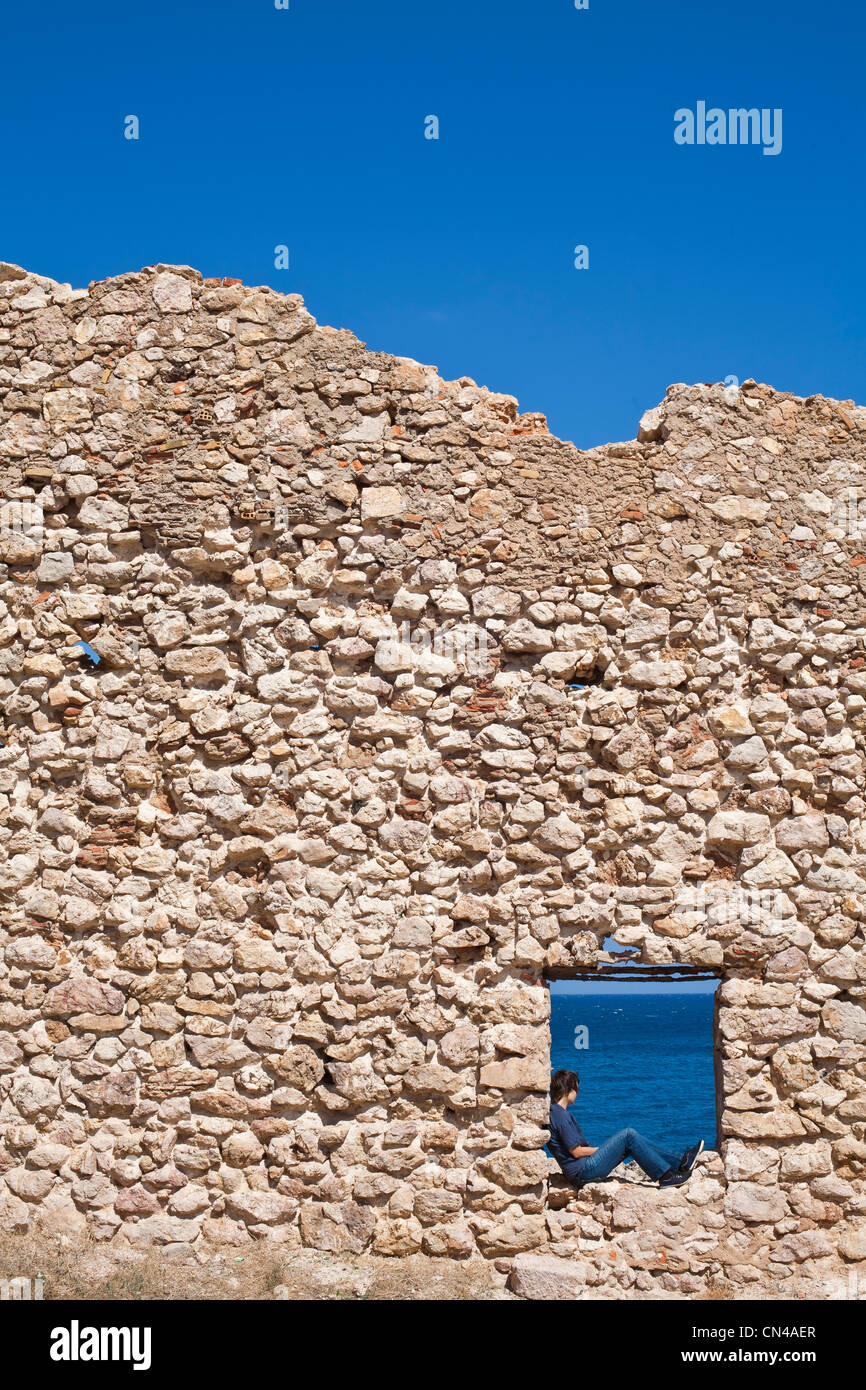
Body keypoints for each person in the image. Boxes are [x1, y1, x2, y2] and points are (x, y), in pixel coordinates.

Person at [546, 1068, 704, 1189]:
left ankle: (679, 1163)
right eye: (576, 1089)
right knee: (628, 1135)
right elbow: (576, 1151)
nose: (578, 1093)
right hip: (583, 1172)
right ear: (567, 1090)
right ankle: (667, 1175)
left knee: (632, 1143)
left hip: (581, 1170)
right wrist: (602, 1151)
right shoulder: (561, 1115)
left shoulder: (555, 1112)